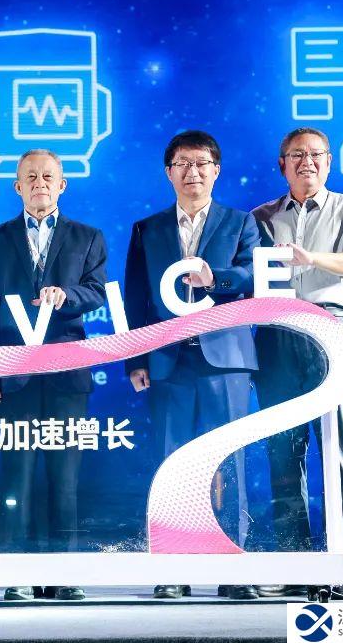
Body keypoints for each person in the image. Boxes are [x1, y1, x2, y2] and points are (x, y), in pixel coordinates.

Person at [124, 130, 262, 601]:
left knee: (231, 461)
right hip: (167, 360)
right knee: (170, 462)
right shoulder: (147, 228)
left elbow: (252, 277)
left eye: (202, 163)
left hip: (225, 359)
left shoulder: (240, 222)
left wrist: (213, 278)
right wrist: (136, 358)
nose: (193, 172)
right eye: (183, 163)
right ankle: (173, 567)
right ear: (169, 172)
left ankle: (234, 567)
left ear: (216, 170)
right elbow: (137, 298)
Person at [0, 149, 107, 602]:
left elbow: (97, 292)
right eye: (30, 177)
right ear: (17, 186)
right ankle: (20, 572)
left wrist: (66, 295)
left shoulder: (88, 237)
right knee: (18, 477)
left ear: (62, 184)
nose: (40, 184)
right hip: (14, 375)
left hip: (68, 373)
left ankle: (64, 573)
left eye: (48, 176)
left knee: (65, 478)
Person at [252, 127, 343, 601]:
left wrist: (311, 259)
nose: (307, 161)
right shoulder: (260, 217)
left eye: (316, 154)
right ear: (281, 164)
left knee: (339, 452)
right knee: (283, 454)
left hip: (331, 330)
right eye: (297, 155)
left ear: (329, 162)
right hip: (278, 335)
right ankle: (296, 563)